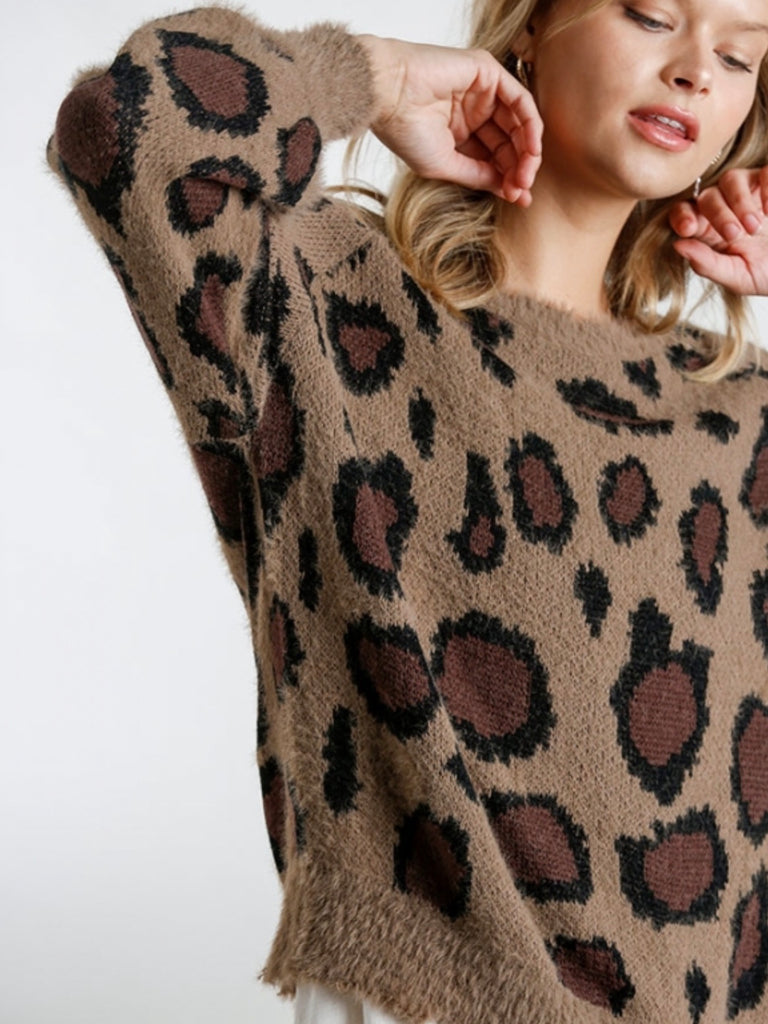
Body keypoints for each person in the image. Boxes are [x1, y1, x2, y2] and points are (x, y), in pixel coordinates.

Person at [47, 0, 768, 1021]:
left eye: (740, 55)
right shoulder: (327, 298)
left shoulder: (737, 411)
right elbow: (124, 125)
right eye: (653, 14)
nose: (697, 68)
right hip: (431, 994)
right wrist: (370, 78)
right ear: (533, 25)